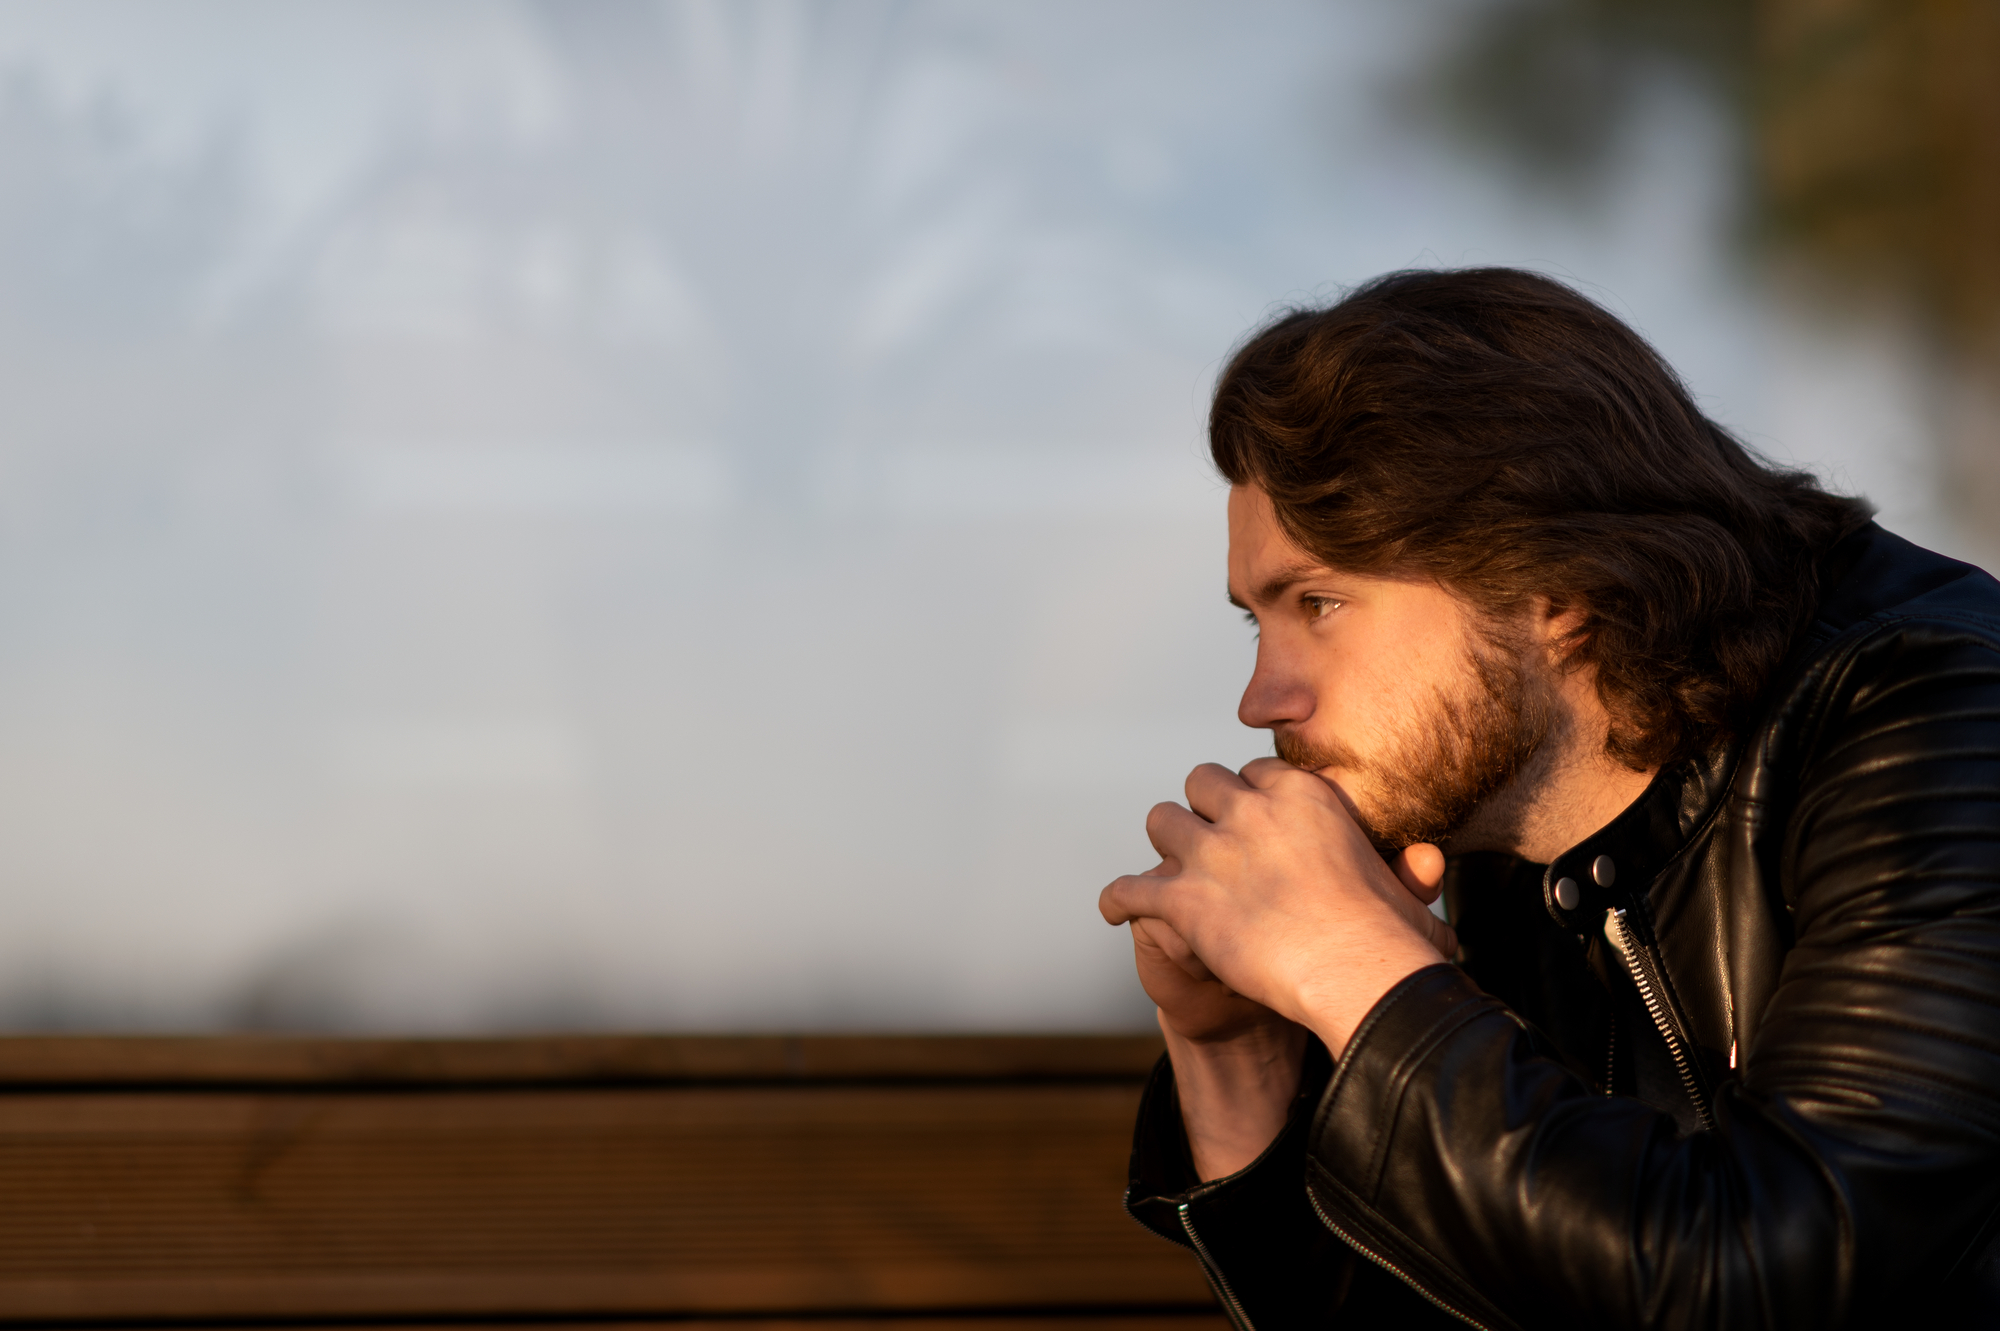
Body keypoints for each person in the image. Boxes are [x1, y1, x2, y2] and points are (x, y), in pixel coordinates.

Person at [1098, 268, 2000, 1329]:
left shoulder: (1934, 718)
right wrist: (1234, 1048)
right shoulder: (1505, 824)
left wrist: (1357, 971)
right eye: (1259, 619)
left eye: (1320, 601)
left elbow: (1784, 1280)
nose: (1261, 699)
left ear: (1556, 588)